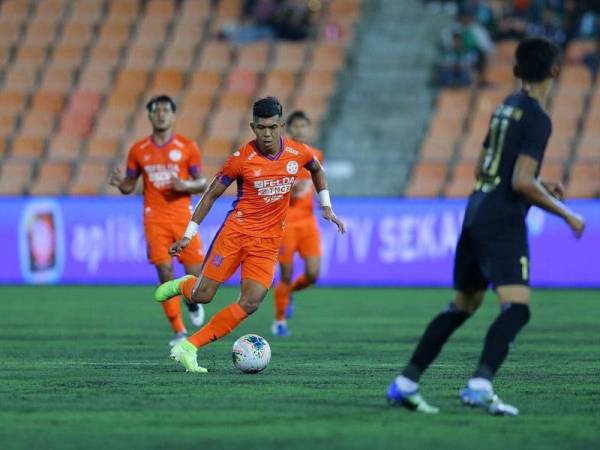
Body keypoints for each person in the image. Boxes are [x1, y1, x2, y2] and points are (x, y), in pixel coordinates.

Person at [387, 38, 586, 416]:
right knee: (518, 308)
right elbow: (521, 182)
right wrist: (566, 213)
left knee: (463, 305)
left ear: (515, 71)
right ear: (555, 72)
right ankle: (479, 385)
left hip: (475, 210)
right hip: (502, 219)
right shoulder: (538, 118)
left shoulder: (503, 108)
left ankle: (405, 383)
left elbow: (484, 169)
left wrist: (542, 184)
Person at [153, 97, 345, 373]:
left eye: (272, 127)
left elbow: (316, 169)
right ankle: (184, 286)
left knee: (251, 302)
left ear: (281, 125)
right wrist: (188, 234)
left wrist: (326, 206)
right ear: (253, 126)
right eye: (261, 128)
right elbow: (210, 196)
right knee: (203, 296)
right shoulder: (241, 160)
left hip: (267, 244)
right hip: (235, 235)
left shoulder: (297, 153)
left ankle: (188, 346)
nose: (267, 135)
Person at [109, 95, 208, 347]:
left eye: (166, 110)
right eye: (156, 110)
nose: (161, 114)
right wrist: (122, 185)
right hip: (155, 219)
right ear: (150, 116)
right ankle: (178, 331)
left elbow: (202, 182)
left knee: (195, 276)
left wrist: (184, 184)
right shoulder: (138, 150)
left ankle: (191, 301)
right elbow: (130, 186)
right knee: (165, 272)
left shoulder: (188, 147)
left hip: (184, 219)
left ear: (173, 116)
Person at [272, 111, 324, 337]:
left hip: (308, 222)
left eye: (304, 126)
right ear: (288, 129)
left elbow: (318, 180)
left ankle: (289, 293)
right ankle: (280, 321)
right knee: (285, 273)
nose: (300, 130)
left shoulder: (315, 154)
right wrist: (288, 190)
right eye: (296, 126)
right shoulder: (281, 156)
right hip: (285, 223)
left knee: (313, 274)